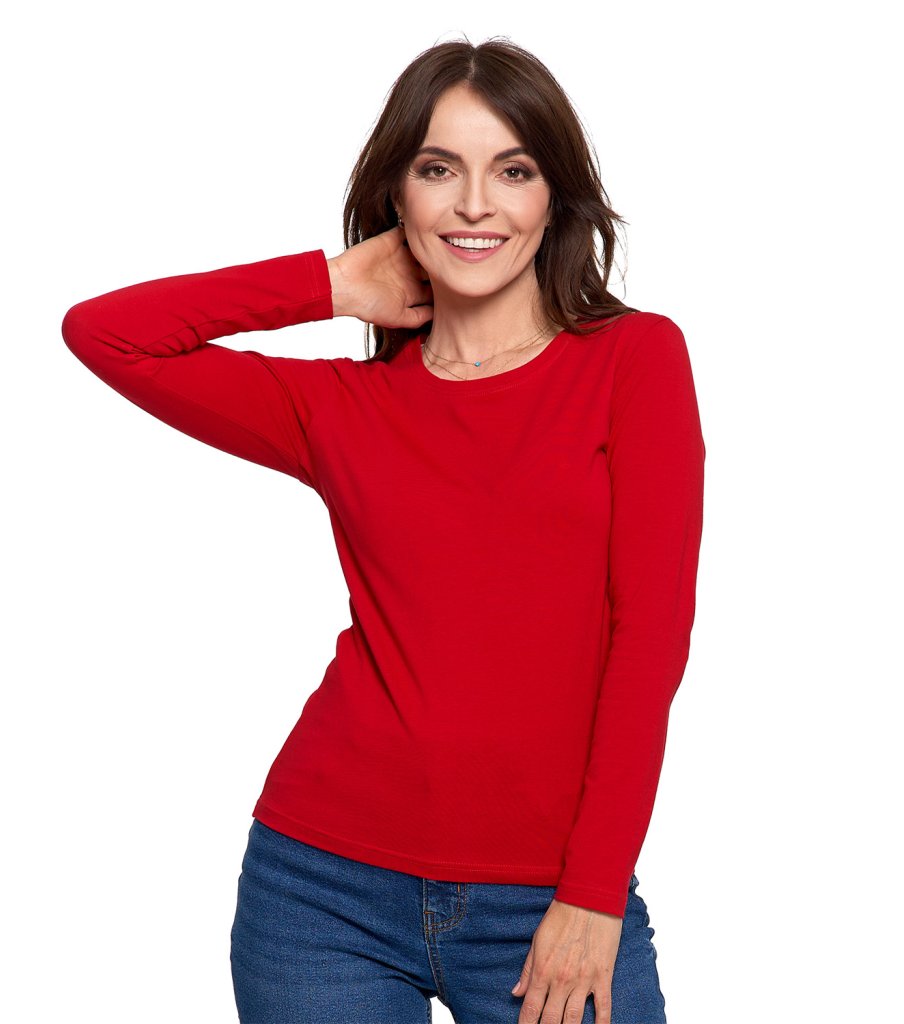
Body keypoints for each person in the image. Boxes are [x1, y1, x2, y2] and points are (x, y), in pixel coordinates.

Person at [61, 36, 704, 1024]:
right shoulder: (340, 407)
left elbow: (648, 638)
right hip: (322, 887)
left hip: (550, 894)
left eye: (513, 171)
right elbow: (107, 333)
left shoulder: (633, 361)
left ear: (554, 198)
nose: (476, 204)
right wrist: (327, 284)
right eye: (439, 170)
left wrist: (592, 890)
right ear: (398, 196)